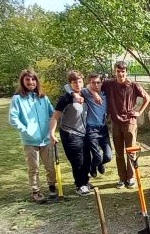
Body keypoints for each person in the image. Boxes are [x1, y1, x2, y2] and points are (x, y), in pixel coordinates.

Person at [8, 69, 56, 203]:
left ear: (37, 81)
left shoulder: (43, 98)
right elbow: (13, 118)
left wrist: (52, 130)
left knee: (49, 165)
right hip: (30, 140)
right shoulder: (18, 98)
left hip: (46, 138)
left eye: (33, 79)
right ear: (23, 82)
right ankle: (36, 191)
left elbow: (53, 114)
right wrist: (25, 130)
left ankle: (52, 186)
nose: (31, 82)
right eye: (27, 80)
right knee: (33, 167)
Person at [103, 61, 150, 189]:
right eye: (118, 71)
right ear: (114, 71)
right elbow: (92, 87)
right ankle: (121, 178)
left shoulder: (133, 85)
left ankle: (130, 177)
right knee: (118, 152)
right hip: (115, 122)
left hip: (130, 122)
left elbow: (147, 97)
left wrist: (139, 112)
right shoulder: (108, 84)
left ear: (126, 72)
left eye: (123, 71)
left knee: (131, 150)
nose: (120, 74)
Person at [49, 71, 91, 195]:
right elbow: (55, 117)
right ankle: (80, 185)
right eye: (74, 82)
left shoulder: (85, 94)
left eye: (79, 81)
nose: (77, 84)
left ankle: (85, 181)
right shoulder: (66, 98)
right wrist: (52, 133)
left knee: (87, 159)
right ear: (70, 83)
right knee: (77, 160)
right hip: (70, 133)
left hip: (83, 133)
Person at [81, 73, 113, 177]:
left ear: (101, 83)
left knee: (108, 156)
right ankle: (94, 165)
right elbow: (68, 87)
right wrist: (93, 93)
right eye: (93, 83)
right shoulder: (86, 93)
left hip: (103, 129)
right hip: (91, 129)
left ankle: (97, 164)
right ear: (89, 83)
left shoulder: (106, 94)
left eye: (98, 82)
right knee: (97, 156)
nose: (96, 85)